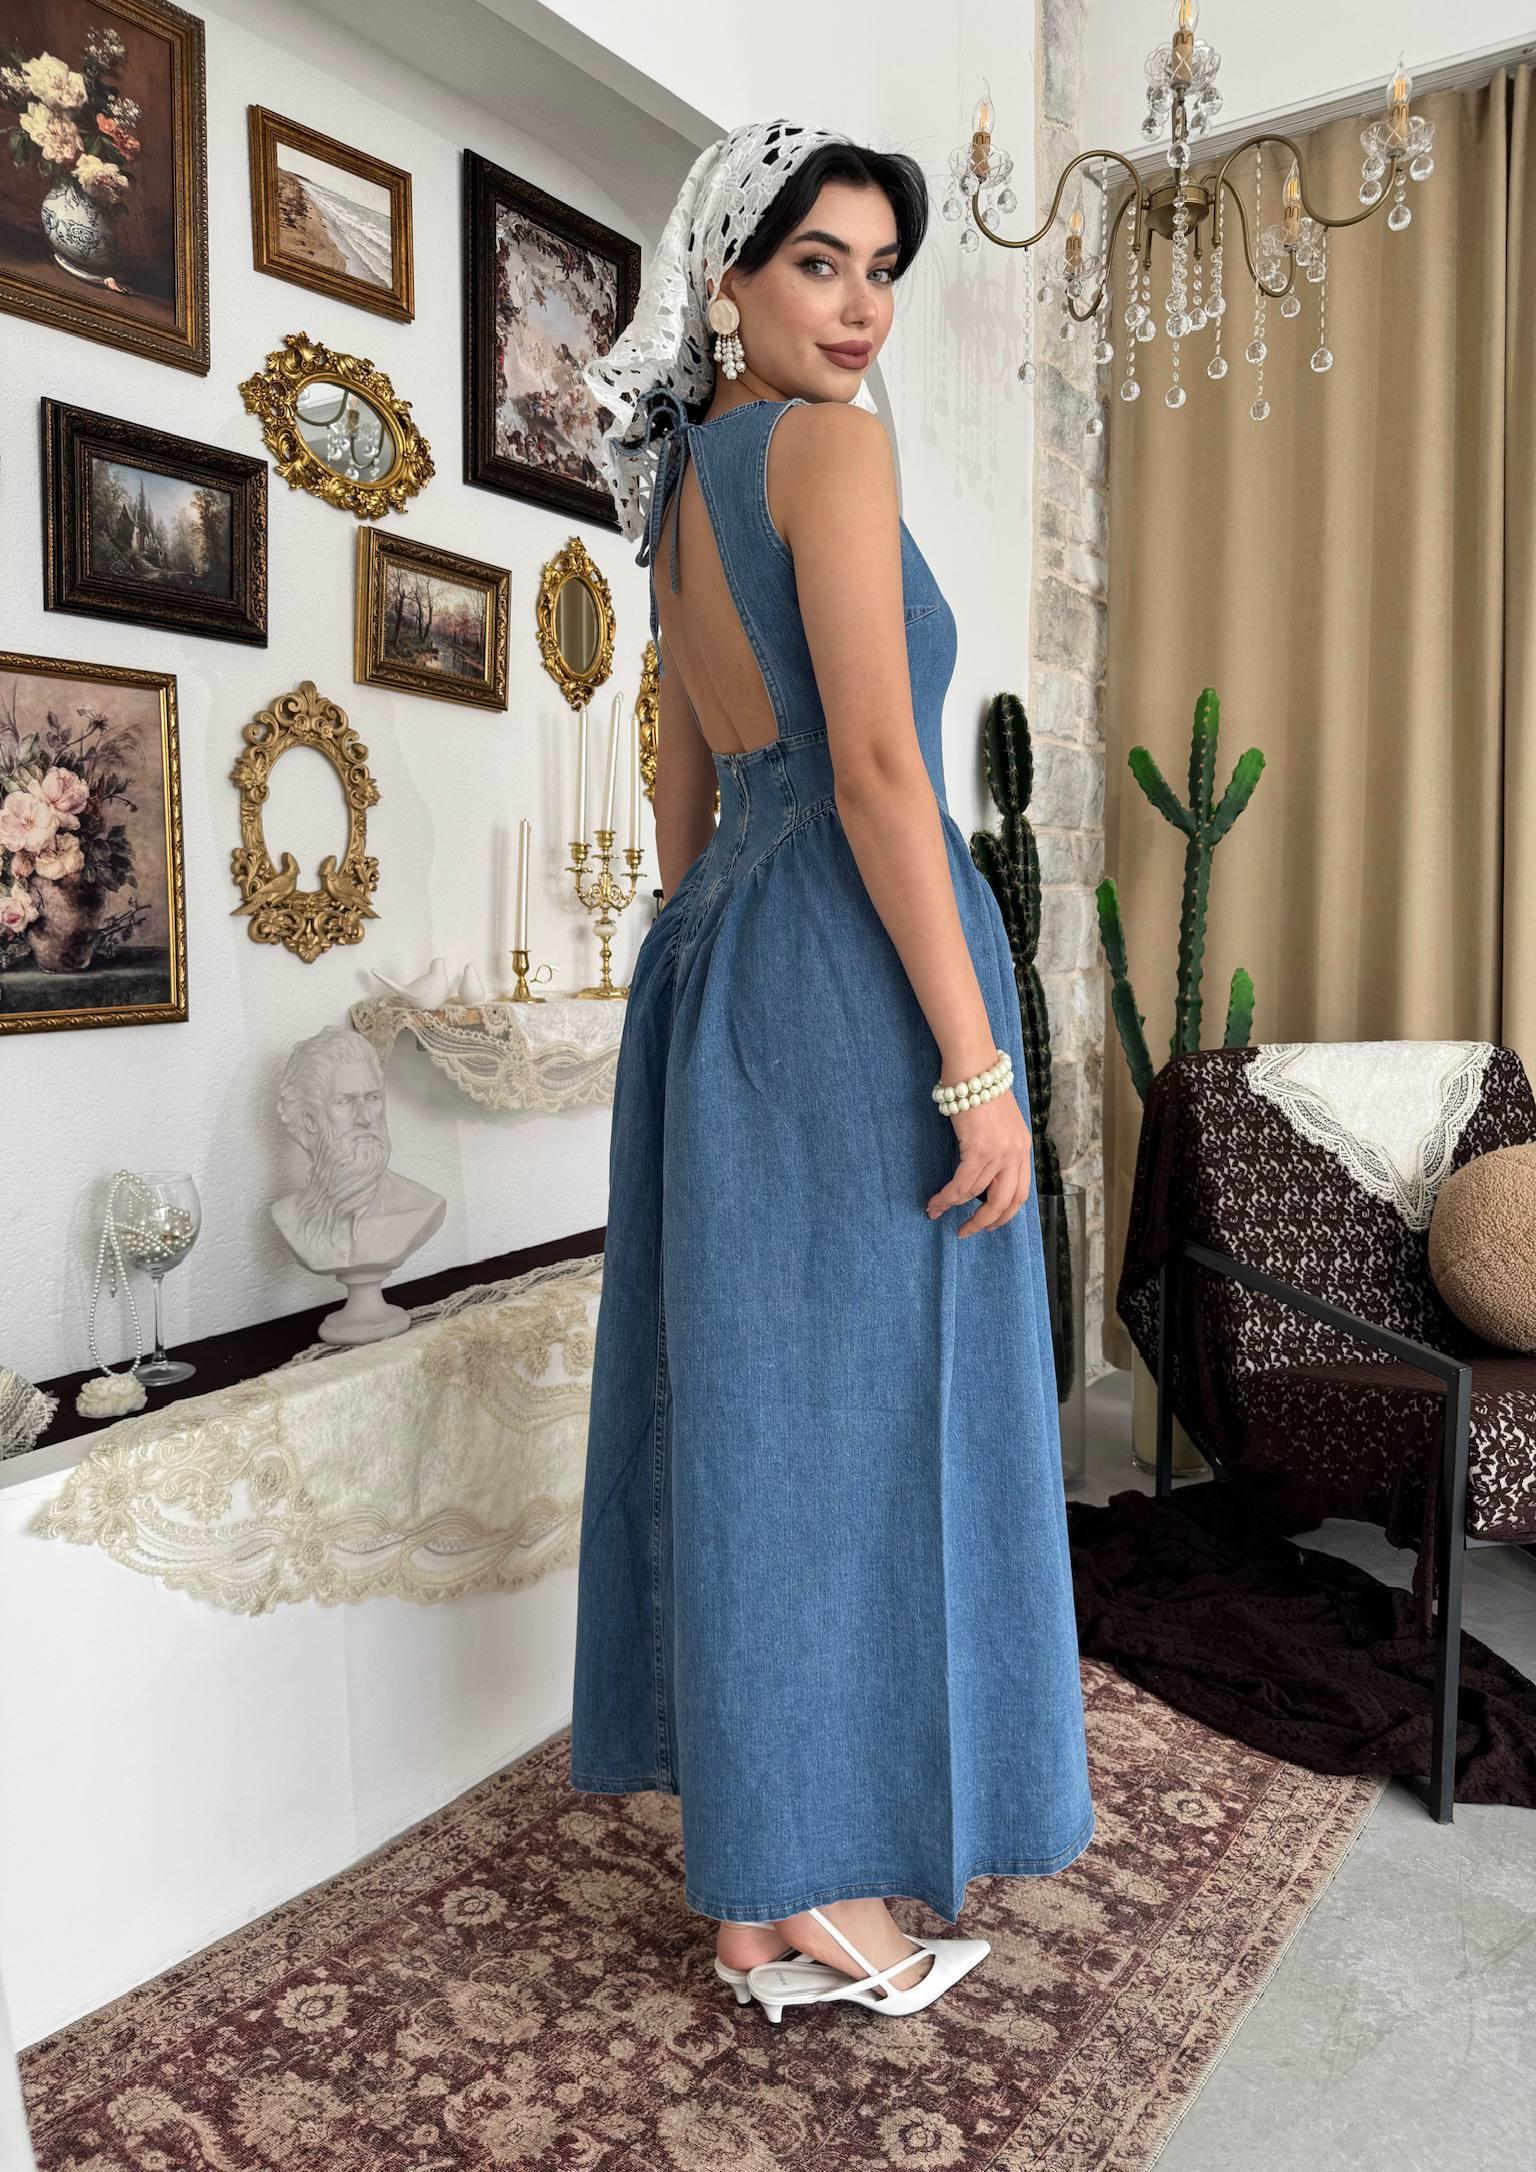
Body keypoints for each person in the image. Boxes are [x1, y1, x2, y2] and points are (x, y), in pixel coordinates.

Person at [569, 119, 1093, 2023]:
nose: (862, 308)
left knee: (759, 1417)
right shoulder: (828, 450)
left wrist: (705, 982)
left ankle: (759, 1891)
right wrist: (972, 1059)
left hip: (724, 965)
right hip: (854, 974)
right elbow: (878, 769)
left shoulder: (679, 496)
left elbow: (680, 790)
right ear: (730, 280)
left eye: (883, 271)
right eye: (820, 263)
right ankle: (809, 1887)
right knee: (858, 1430)